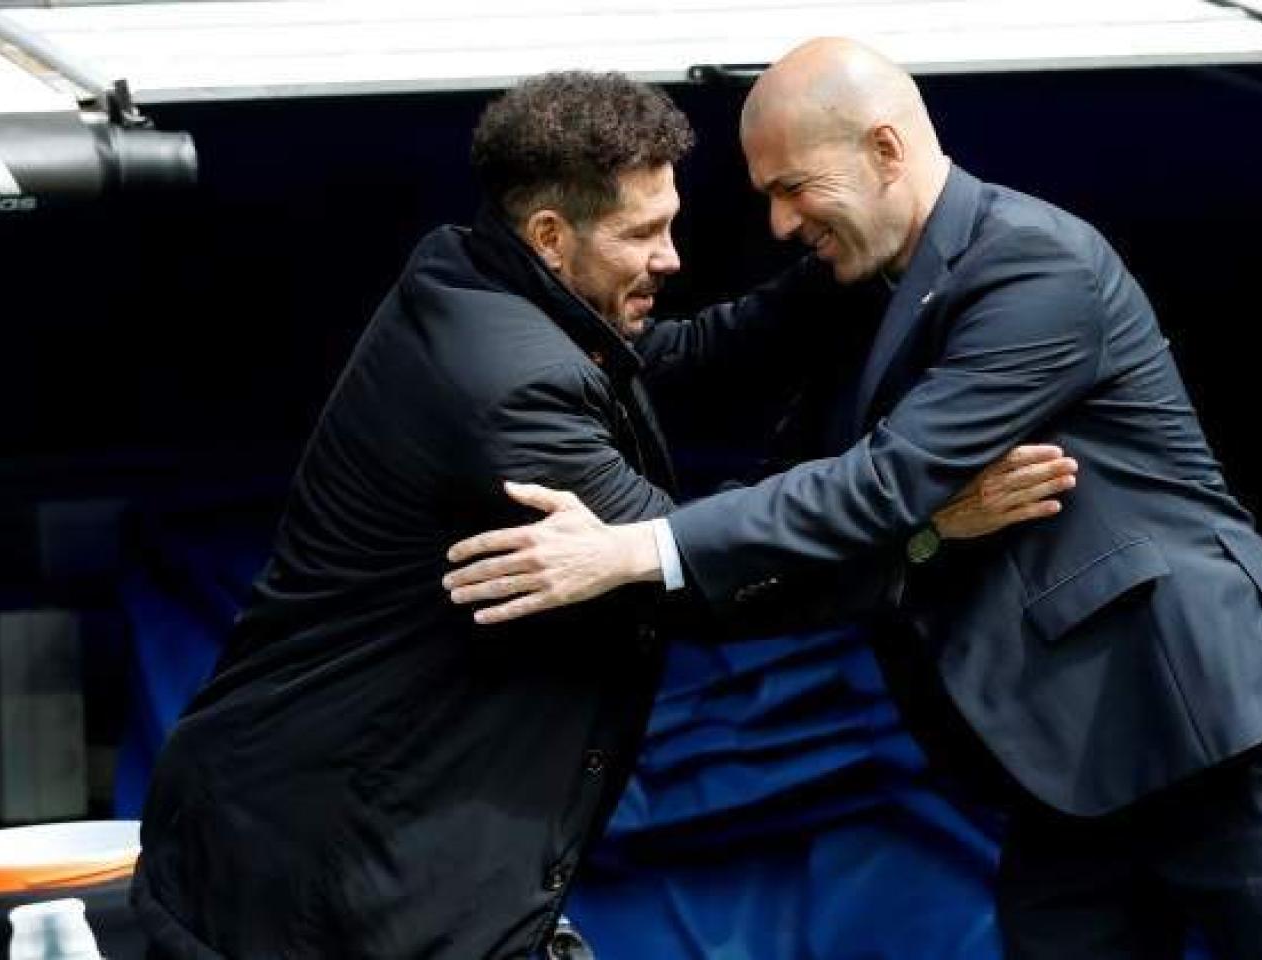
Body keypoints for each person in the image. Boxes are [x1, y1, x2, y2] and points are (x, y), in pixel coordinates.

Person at [444, 39, 1262, 960]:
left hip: (1215, 734)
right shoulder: (855, 273)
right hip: (1064, 769)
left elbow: (885, 481)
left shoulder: (1035, 265)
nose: (778, 223)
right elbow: (698, 357)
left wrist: (634, 549)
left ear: (886, 151)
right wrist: (520, 313)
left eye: (792, 189)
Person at [131, 70, 1070, 959]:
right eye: (643, 233)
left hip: (362, 836)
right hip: (335, 861)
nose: (671, 256)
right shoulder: (505, 387)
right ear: (548, 234)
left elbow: (682, 356)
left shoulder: (479, 283)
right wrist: (930, 529)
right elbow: (705, 591)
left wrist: (847, 251)